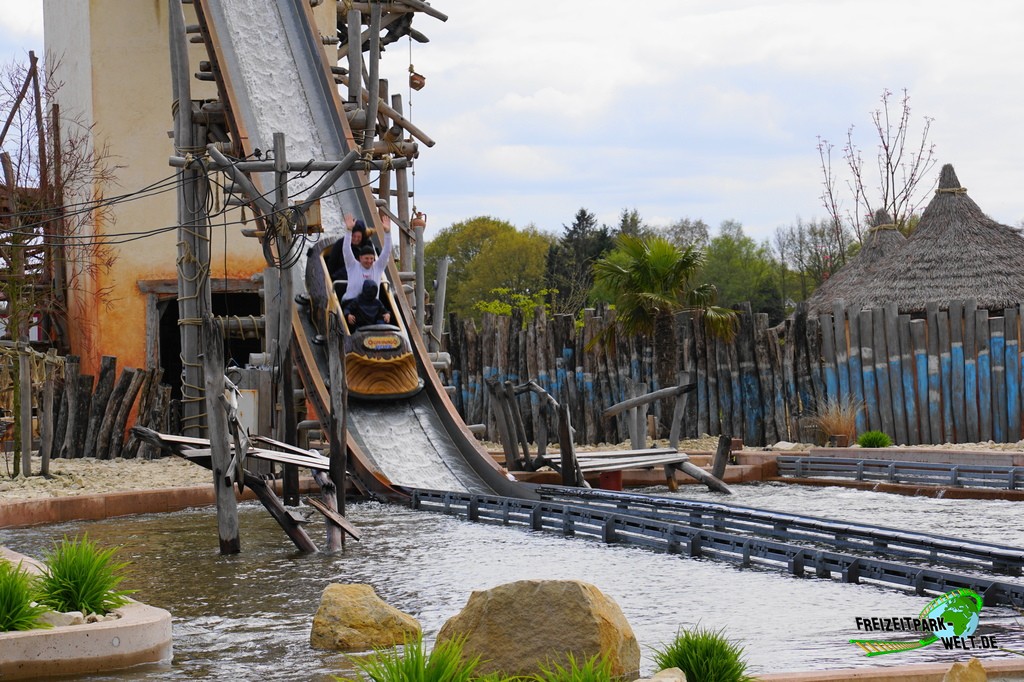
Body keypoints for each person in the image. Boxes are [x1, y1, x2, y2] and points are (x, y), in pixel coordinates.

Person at [340, 212, 393, 327]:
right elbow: (346, 250)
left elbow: (387, 252)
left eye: (371, 258)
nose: (369, 261)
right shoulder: (353, 265)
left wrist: (387, 233)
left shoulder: (377, 267)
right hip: (353, 304)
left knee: (383, 321)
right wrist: (349, 231)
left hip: (371, 306)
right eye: (366, 258)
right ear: (360, 258)